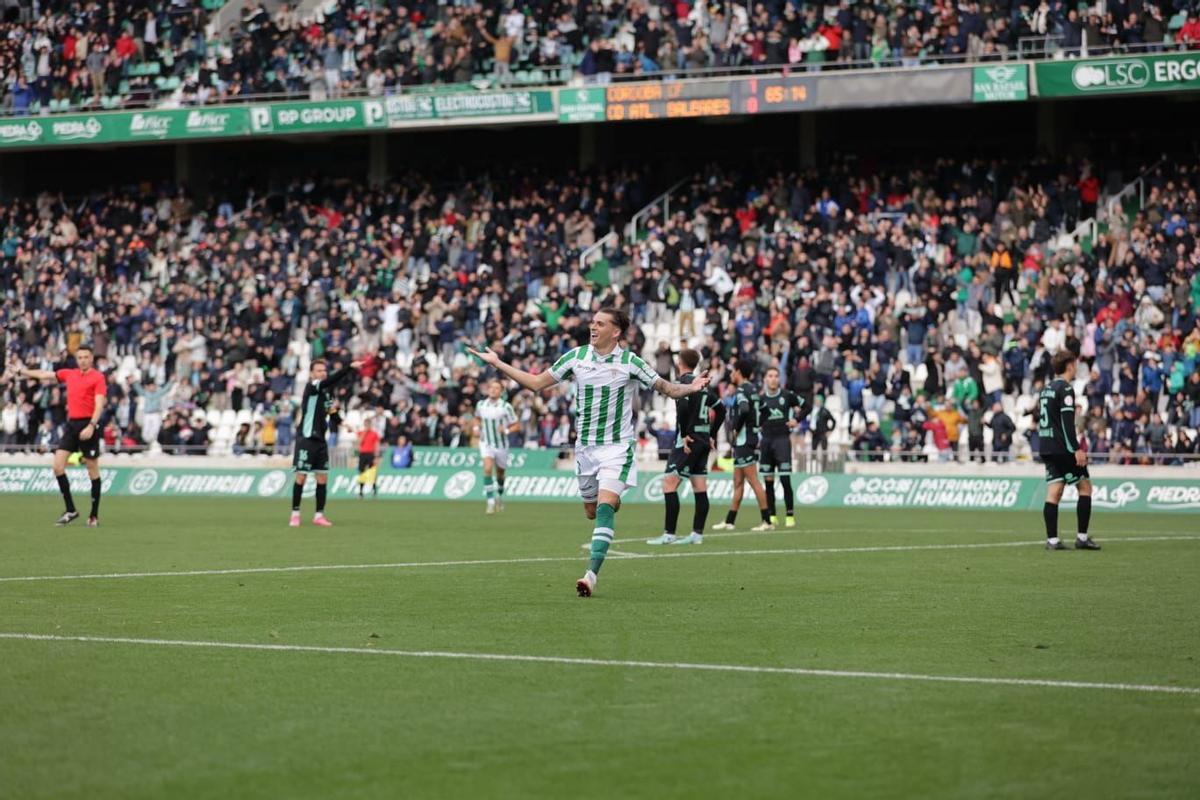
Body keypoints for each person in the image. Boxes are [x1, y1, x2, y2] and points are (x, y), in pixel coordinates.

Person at [469, 307, 710, 597]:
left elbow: (667, 389)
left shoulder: (631, 362)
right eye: (592, 323)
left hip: (617, 447)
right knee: (591, 510)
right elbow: (535, 383)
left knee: (605, 509)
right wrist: (499, 364)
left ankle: (590, 575)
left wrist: (692, 388)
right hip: (584, 449)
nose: (593, 328)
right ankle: (611, 498)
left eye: (600, 323)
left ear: (616, 331)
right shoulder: (576, 357)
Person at [9, 345, 107, 526]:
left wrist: (92, 425)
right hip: (72, 425)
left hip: (89, 424)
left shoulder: (98, 377)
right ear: (77, 360)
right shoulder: (70, 374)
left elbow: (99, 404)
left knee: (92, 470)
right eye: (80, 357)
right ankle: (71, 510)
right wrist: (22, 371)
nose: (83, 360)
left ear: (91, 358)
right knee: (57, 466)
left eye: (86, 357)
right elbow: (44, 374)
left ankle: (93, 515)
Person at [647, 348, 725, 546]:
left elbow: (682, 407)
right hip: (703, 438)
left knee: (669, 484)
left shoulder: (684, 383)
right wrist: (712, 434)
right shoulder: (704, 385)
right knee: (699, 485)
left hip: (688, 440)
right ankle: (697, 535)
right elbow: (721, 409)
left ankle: (669, 534)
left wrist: (684, 434)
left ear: (679, 363)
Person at [1036, 351, 1101, 550]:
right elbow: (1066, 424)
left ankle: (1052, 541)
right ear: (1070, 366)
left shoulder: (1046, 388)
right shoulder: (1065, 389)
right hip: (1062, 447)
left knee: (1054, 491)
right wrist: (1076, 449)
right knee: (1085, 487)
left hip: (1046, 446)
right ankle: (1081, 538)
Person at [290, 358, 361, 527]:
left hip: (321, 440)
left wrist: (344, 423)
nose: (322, 373)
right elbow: (332, 380)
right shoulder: (312, 386)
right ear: (312, 374)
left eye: (324, 370)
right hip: (306, 438)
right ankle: (295, 513)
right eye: (319, 370)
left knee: (322, 477)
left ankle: (319, 515)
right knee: (301, 477)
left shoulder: (326, 393)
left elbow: (332, 411)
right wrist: (349, 368)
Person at [713, 360, 775, 533]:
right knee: (738, 482)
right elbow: (766, 411)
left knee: (754, 481)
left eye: (733, 371)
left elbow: (745, 409)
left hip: (743, 441)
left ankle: (767, 520)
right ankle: (730, 521)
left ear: (739, 372)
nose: (731, 374)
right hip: (747, 439)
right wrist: (757, 425)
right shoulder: (753, 390)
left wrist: (736, 429)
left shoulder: (741, 391)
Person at [756, 365, 806, 527]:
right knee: (768, 481)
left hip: (782, 441)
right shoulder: (760, 399)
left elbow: (807, 406)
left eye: (776, 376)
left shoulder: (787, 395)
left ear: (779, 379)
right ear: (765, 379)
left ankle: (789, 515)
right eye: (770, 376)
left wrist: (796, 420)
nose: (773, 379)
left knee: (785, 479)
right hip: (766, 441)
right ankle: (772, 516)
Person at [475, 379, 520, 514]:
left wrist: (506, 430)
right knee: (487, 469)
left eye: (496, 388)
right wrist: (476, 427)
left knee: (500, 473)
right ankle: (490, 502)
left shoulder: (506, 407)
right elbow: (477, 418)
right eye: (491, 388)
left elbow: (517, 425)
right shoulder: (481, 404)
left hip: (501, 444)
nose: (493, 390)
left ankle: (500, 495)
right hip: (485, 442)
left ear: (501, 392)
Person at [355, 412, 380, 499]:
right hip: (362, 454)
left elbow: (377, 445)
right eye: (366, 424)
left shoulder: (374, 434)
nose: (367, 426)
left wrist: (376, 456)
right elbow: (359, 442)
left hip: (371, 454)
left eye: (368, 424)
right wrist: (364, 432)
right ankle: (361, 492)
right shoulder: (361, 433)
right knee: (362, 472)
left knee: (372, 473)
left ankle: (374, 490)